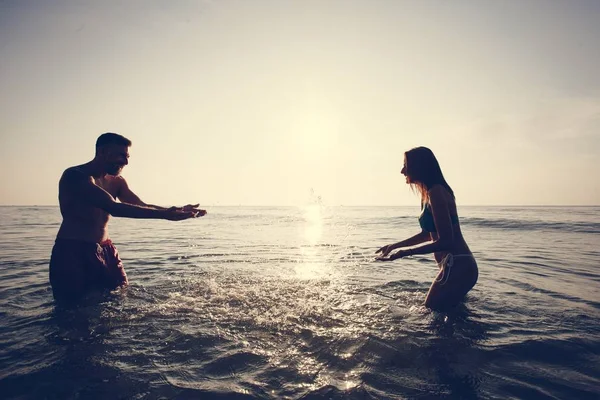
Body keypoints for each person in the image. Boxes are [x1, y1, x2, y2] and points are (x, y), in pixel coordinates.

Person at [49, 132, 206, 304]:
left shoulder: (117, 182)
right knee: (71, 309)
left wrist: (175, 210)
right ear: (102, 152)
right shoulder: (75, 176)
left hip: (106, 249)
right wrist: (164, 215)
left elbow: (140, 204)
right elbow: (113, 207)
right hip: (73, 250)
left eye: (127, 156)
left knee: (117, 298)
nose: (126, 162)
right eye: (121, 155)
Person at [375, 147, 478, 310]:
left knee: (430, 310)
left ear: (419, 167)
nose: (402, 171)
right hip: (453, 266)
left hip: (458, 266)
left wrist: (404, 254)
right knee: (453, 318)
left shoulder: (436, 192)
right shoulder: (428, 194)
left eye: (406, 165)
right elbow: (428, 235)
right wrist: (395, 246)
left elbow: (446, 241)